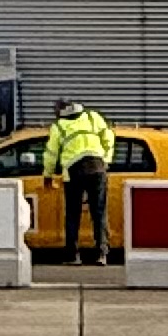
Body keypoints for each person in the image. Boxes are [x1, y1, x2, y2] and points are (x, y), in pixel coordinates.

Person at [45, 100, 117, 266]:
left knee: (72, 214)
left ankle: (73, 255)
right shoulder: (93, 117)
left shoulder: (59, 126)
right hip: (97, 167)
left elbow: (51, 153)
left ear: (61, 111)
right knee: (99, 213)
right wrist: (106, 160)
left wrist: (47, 175)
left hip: (74, 170)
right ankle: (101, 254)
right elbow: (109, 138)